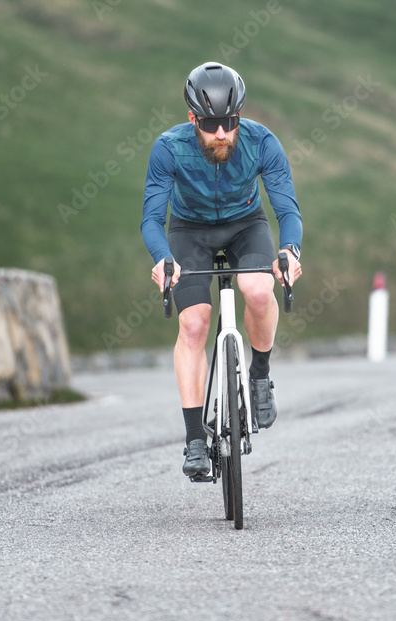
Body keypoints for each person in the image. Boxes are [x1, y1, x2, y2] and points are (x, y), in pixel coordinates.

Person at [141, 62, 303, 480]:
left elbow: (286, 207)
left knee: (258, 289)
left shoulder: (263, 142)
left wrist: (289, 250)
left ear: (240, 117)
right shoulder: (168, 147)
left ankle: (261, 375)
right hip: (189, 231)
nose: (220, 134)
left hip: (245, 225)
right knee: (194, 324)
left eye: (229, 122)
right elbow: (151, 219)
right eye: (210, 124)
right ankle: (195, 439)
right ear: (193, 119)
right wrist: (163, 258)